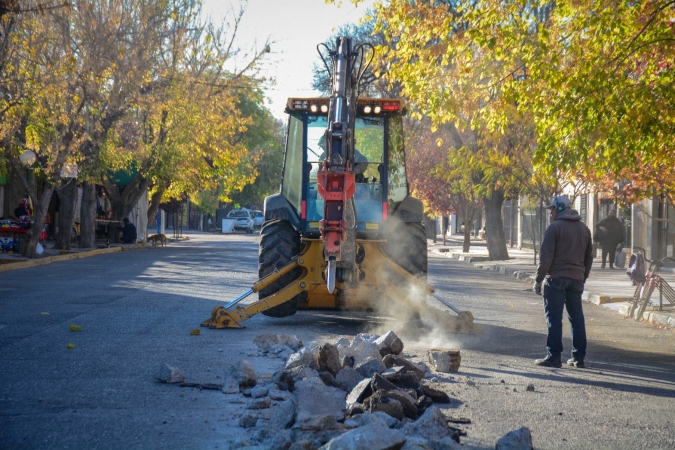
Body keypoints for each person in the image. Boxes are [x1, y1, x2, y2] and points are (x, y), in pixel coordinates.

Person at [533, 195, 593, 369]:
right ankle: (578, 358)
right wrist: (583, 276)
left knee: (554, 318)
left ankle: (554, 357)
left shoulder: (554, 228)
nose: (550, 212)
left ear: (559, 208)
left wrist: (538, 279)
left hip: (556, 279)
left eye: (552, 209)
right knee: (577, 318)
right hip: (576, 279)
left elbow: (546, 257)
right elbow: (589, 257)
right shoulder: (584, 229)